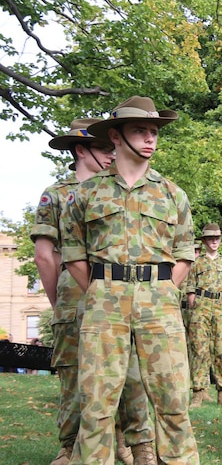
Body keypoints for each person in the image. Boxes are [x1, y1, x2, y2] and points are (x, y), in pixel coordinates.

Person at [62, 96, 199, 464]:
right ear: (116, 136)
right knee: (97, 405)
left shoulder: (172, 194)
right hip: (105, 299)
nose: (150, 138)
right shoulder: (86, 194)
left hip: (160, 301)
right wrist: (101, 288)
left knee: (173, 402)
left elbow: (185, 252)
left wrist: (167, 288)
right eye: (140, 130)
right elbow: (74, 255)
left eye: (154, 131)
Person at [31, 118, 150, 465]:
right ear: (80, 150)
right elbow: (44, 254)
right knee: (74, 371)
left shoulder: (121, 188)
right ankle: (70, 446)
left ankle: (130, 443)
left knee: (130, 368)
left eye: (112, 149)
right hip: (74, 289)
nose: (111, 155)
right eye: (102, 149)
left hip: (119, 289)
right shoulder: (57, 194)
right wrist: (59, 303)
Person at [187, 223, 222, 408]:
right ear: (205, 241)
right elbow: (190, 289)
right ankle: (198, 393)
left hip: (220, 309)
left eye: (217, 238)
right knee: (199, 350)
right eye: (210, 238)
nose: (214, 241)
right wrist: (196, 307)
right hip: (201, 308)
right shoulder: (196, 263)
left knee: (221, 351)